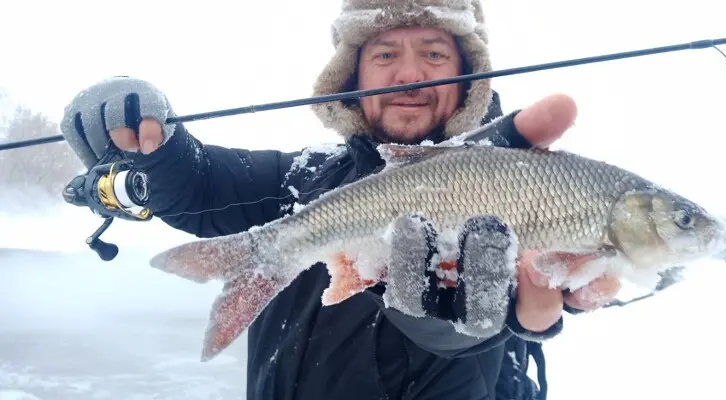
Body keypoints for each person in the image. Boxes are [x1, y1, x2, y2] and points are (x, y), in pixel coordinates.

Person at [59, 1, 622, 399]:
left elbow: (554, 295)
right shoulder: (300, 181)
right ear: (349, 78)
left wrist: (481, 325)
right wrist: (154, 142)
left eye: (433, 53)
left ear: (468, 75)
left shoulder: (523, 178)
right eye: (383, 56)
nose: (409, 75)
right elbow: (201, 181)